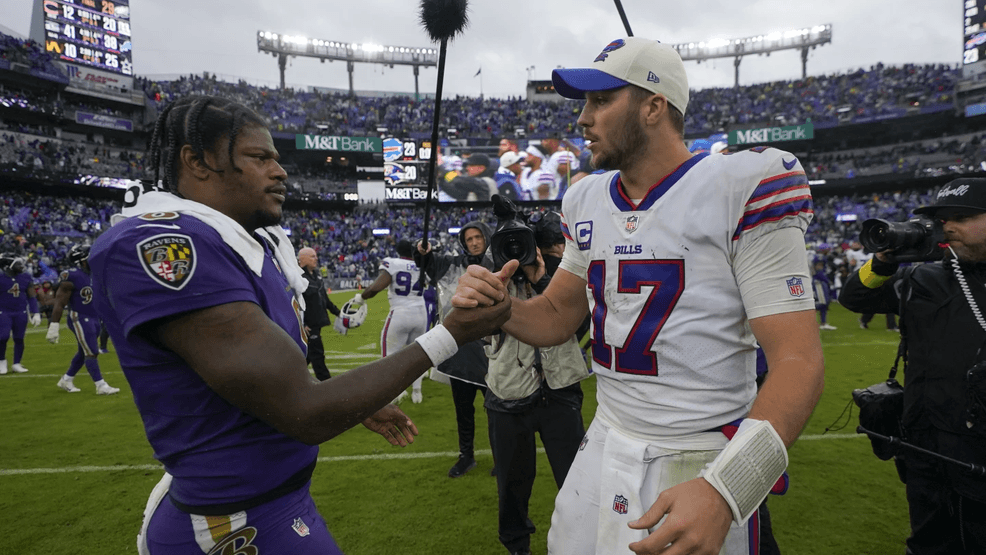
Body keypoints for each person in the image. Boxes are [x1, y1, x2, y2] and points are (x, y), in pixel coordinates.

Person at [86, 95, 509, 555]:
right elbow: (303, 409)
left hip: (273, 496)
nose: (280, 170)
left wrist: (353, 402)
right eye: (259, 157)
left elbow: (268, 384)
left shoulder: (244, 240)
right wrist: (452, 333)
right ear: (197, 161)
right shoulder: (166, 243)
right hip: (233, 518)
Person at [451, 37, 825, 555]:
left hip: (700, 450)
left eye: (601, 100)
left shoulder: (743, 184)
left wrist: (727, 488)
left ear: (654, 106)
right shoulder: (586, 198)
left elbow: (799, 359)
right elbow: (559, 314)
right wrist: (504, 309)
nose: (583, 118)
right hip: (606, 437)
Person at [839, 177, 986, 554]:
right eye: (943, 219)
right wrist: (884, 260)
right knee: (929, 544)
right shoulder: (922, 275)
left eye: (961, 217)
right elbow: (855, 296)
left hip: (980, 447)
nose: (947, 226)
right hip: (926, 445)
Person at [484, 210, 590, 555]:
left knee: (576, 478)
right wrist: (499, 284)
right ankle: (517, 546)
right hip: (507, 392)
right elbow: (473, 329)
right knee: (512, 484)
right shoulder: (492, 278)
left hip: (559, 391)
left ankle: (582, 540)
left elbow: (578, 324)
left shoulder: (562, 276)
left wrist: (543, 280)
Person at [418, 220, 495, 478]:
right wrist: (425, 252)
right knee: (463, 411)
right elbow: (430, 264)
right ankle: (466, 456)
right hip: (460, 351)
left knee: (496, 411)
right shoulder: (454, 265)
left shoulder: (497, 264)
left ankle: (501, 454)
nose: (473, 242)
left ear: (486, 238)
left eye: (478, 237)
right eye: (469, 239)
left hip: (492, 352)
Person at [348, 240, 429, 403]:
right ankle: (417, 393)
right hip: (421, 314)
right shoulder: (421, 265)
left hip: (400, 312)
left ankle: (395, 394)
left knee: (389, 357)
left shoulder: (392, 263)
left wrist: (362, 297)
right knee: (419, 355)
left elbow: (376, 287)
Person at [47, 245, 120, 395]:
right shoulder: (72, 276)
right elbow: (60, 302)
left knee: (83, 352)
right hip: (79, 317)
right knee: (92, 351)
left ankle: (66, 379)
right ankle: (100, 385)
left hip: (94, 317)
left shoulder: (95, 274)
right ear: (82, 261)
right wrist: (54, 325)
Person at [298, 247, 341, 382]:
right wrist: (301, 323)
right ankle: (327, 385)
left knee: (309, 356)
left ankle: (288, 381)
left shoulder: (316, 276)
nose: (316, 259)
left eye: (315, 256)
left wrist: (340, 313)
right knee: (317, 356)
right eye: (312, 256)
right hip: (309, 326)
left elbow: (325, 299)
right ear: (303, 259)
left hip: (317, 322)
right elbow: (293, 301)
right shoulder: (298, 277)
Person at [0, 256, 41, 374]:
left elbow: (32, 296)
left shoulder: (25, 277)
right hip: (3, 311)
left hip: (21, 311)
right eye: (18, 264)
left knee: (19, 338)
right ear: (8, 266)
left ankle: (16, 363)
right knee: (2, 337)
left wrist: (36, 312)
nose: (21, 267)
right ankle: (2, 361)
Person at [812, 258, 837, 330]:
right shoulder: (817, 272)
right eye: (819, 264)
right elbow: (821, 276)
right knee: (823, 303)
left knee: (824, 304)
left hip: (822, 285)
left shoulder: (822, 270)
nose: (820, 266)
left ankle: (823, 323)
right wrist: (828, 281)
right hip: (819, 285)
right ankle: (807, 314)